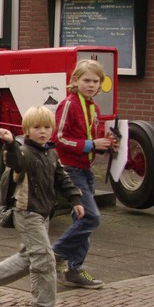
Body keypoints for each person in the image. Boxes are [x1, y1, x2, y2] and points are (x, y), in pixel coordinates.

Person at [0, 106, 84, 307]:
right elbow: (15, 161)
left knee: (30, 256)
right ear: (27, 130)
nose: (42, 131)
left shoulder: (51, 153)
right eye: (36, 127)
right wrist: (10, 143)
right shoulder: (24, 152)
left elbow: (62, 178)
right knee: (45, 258)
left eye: (46, 127)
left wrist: (75, 199)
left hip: (43, 213)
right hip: (27, 213)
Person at [52, 60, 118, 290]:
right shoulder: (68, 104)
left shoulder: (94, 108)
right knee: (91, 218)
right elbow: (59, 138)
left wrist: (106, 144)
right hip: (70, 170)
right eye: (86, 80)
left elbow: (93, 138)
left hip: (86, 170)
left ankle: (73, 270)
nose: (91, 85)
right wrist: (91, 144)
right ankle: (55, 255)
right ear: (75, 81)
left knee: (82, 221)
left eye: (95, 81)